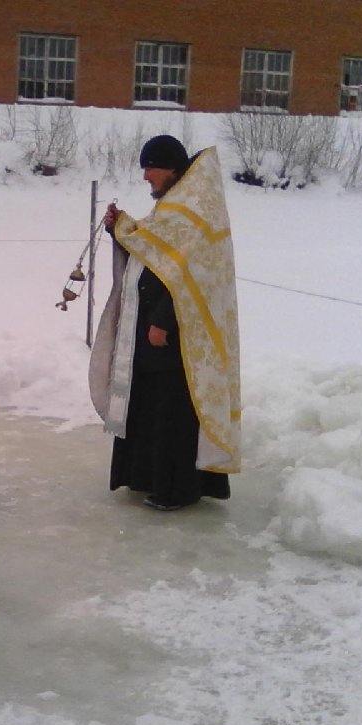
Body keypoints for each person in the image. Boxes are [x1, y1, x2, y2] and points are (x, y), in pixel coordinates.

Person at [89, 135, 241, 511]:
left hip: (174, 334)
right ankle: (146, 476)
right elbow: (155, 249)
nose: (146, 177)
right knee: (149, 405)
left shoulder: (190, 209)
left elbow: (186, 273)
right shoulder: (177, 204)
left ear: (170, 168)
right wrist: (119, 229)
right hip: (155, 331)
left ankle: (179, 488)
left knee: (172, 410)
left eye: (150, 168)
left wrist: (163, 321)